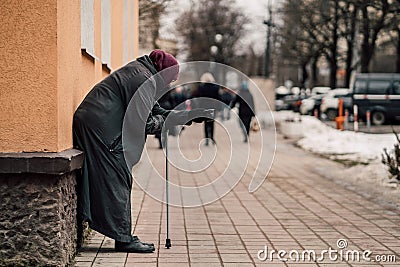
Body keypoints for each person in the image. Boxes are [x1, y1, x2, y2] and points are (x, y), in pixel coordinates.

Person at [73, 50, 212, 253]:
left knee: (115, 174)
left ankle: (110, 228)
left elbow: (154, 110)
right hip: (99, 127)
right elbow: (144, 123)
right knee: (119, 174)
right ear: (163, 73)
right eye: (171, 80)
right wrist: (169, 121)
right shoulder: (143, 79)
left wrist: (188, 116)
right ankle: (123, 239)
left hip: (95, 122)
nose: (170, 85)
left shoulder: (143, 74)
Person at [196, 72, 220, 145]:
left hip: (204, 107)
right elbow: (218, 98)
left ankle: (206, 139)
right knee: (212, 123)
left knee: (206, 123)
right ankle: (212, 138)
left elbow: (199, 98)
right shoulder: (216, 87)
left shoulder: (201, 87)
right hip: (213, 107)